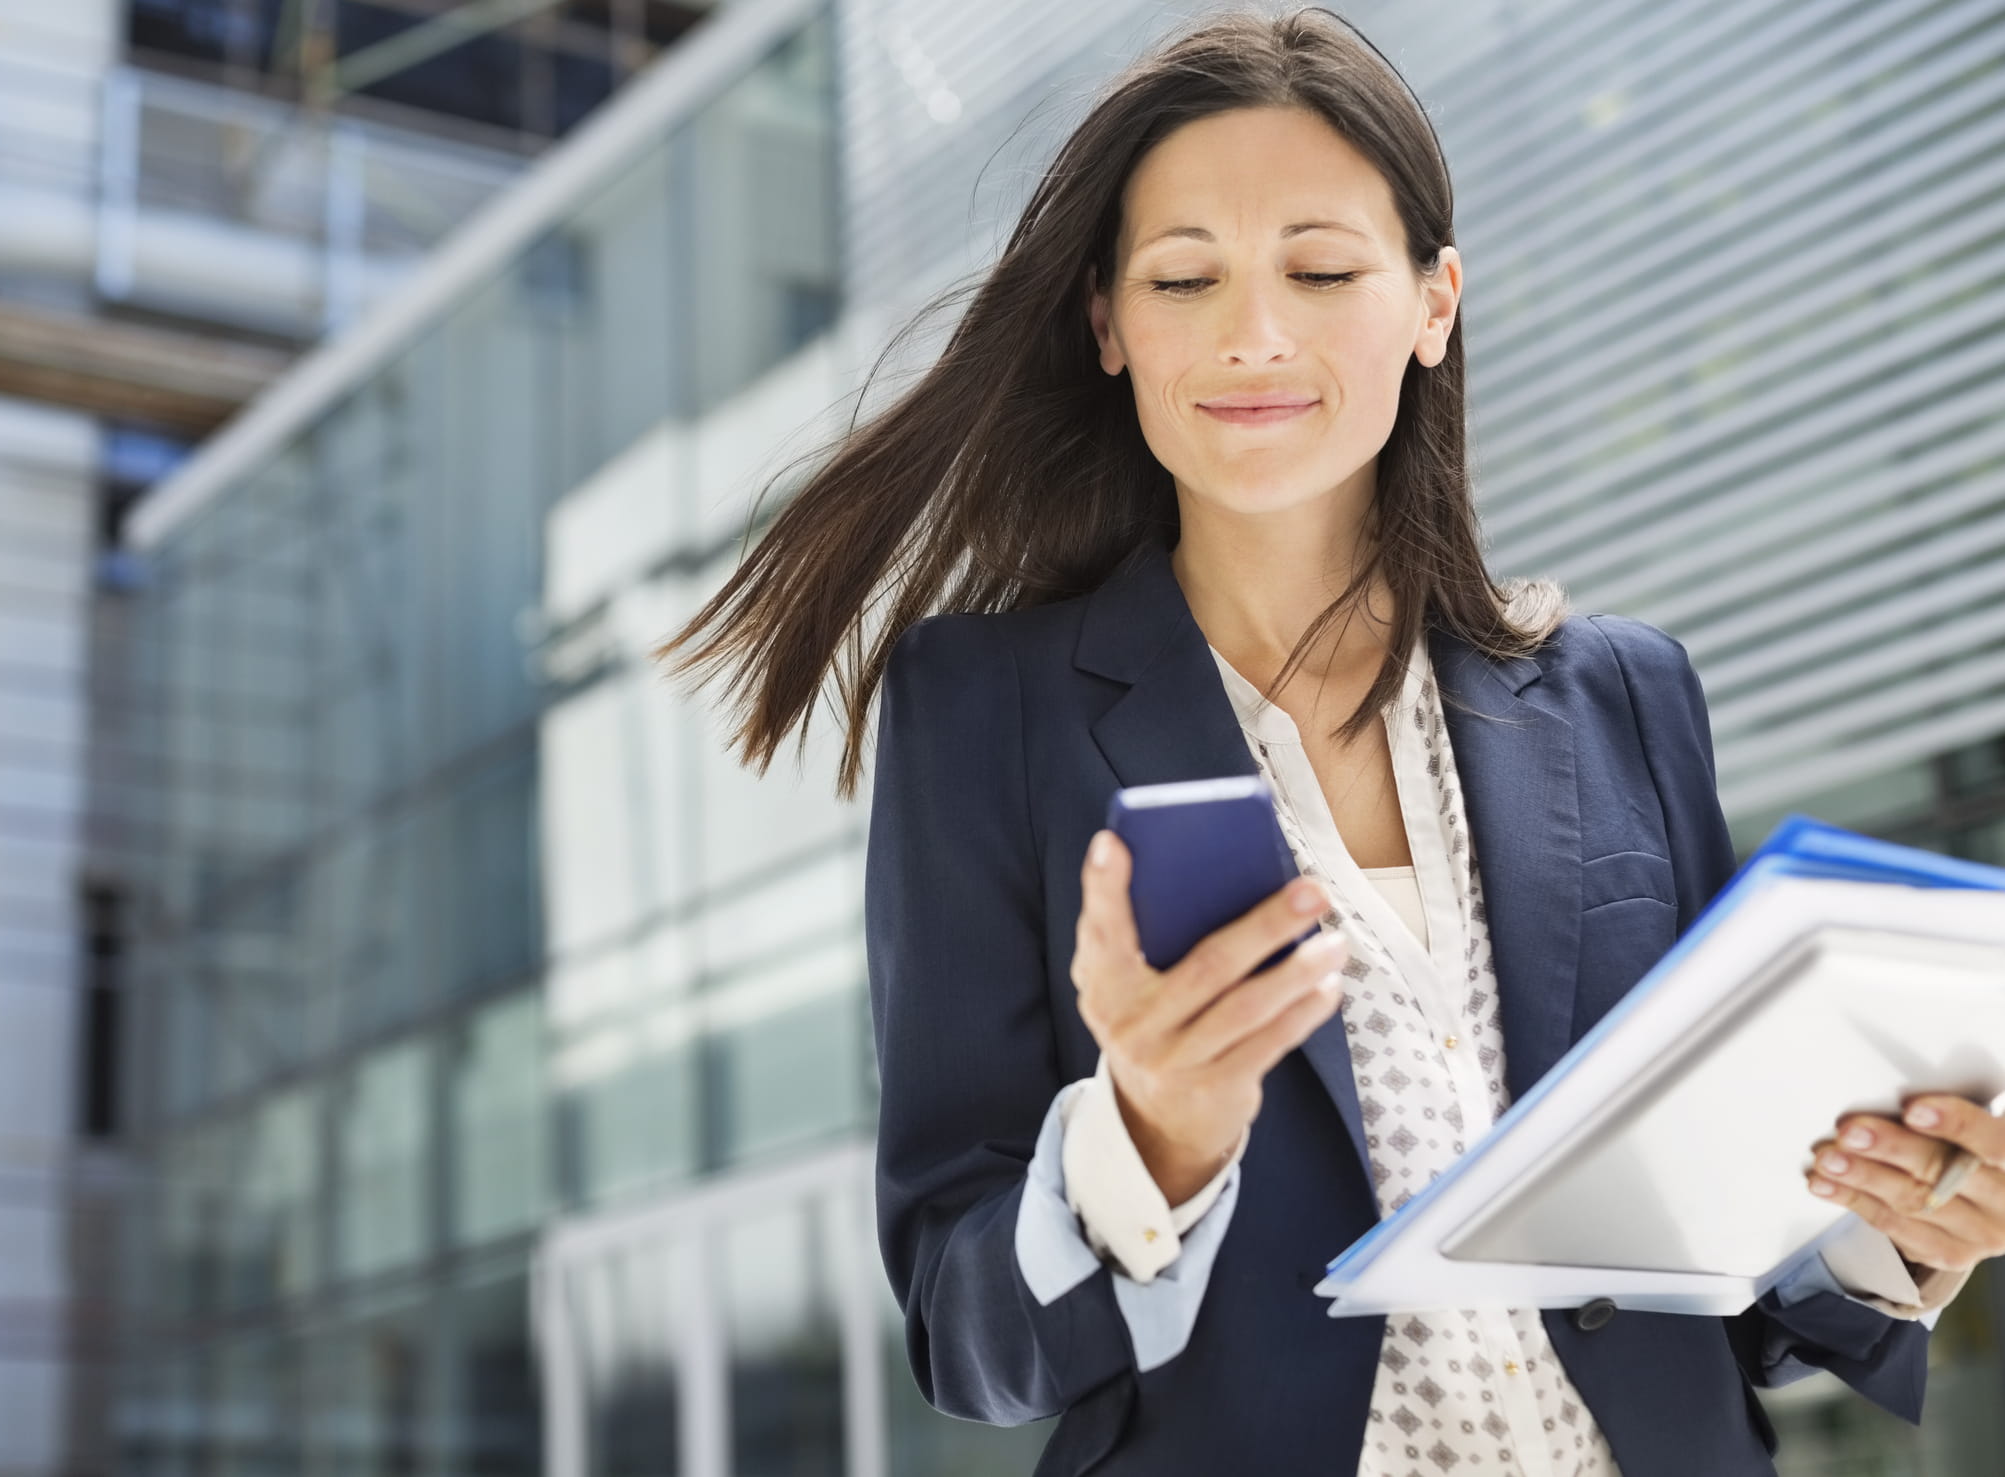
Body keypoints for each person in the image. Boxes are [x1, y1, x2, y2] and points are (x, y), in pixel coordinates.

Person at [653, 8, 2005, 1474]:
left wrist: (1888, 1229)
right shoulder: (989, 713)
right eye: (1184, 277)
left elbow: (1710, 1285)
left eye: (1318, 268)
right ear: (1106, 323)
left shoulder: (1622, 693)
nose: (1252, 333)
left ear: (1432, 304)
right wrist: (1150, 1134)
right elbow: (965, 1333)